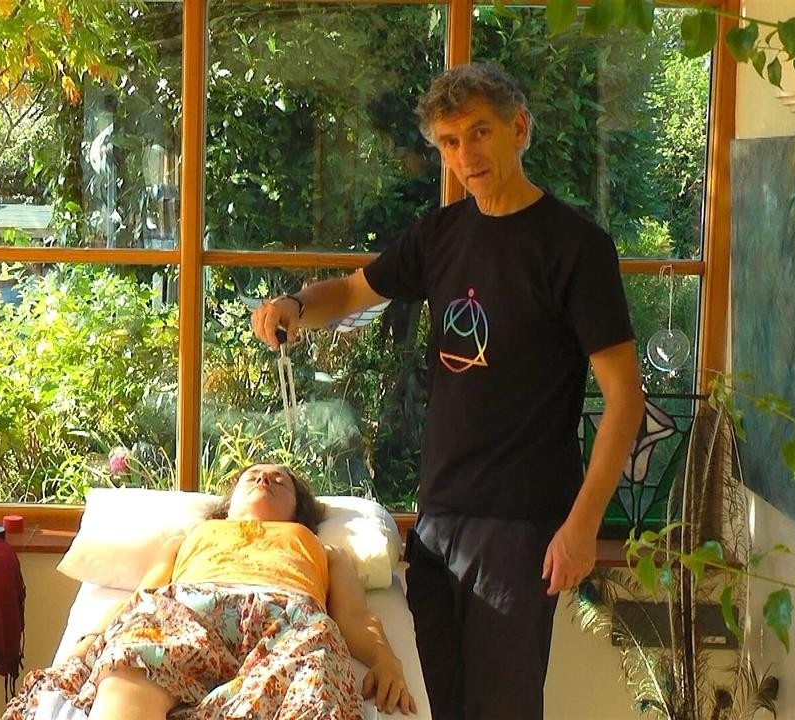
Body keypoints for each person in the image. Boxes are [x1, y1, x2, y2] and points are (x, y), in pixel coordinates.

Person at [249, 63, 646, 719]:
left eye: (480, 132)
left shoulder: (576, 247)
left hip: (521, 525)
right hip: (437, 523)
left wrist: (582, 527)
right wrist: (295, 304)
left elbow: (625, 398)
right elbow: (350, 292)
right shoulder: (439, 235)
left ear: (519, 129)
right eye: (450, 142)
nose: (466, 155)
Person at [2, 463, 419, 719]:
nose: (265, 479)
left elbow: (354, 617)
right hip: (186, 611)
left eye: (280, 480)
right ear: (229, 501)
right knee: (131, 662)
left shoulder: (320, 548)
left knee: (316, 686)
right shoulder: (191, 537)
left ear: (298, 510)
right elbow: (142, 601)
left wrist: (386, 659)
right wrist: (91, 642)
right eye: (253, 477)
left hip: (289, 622)